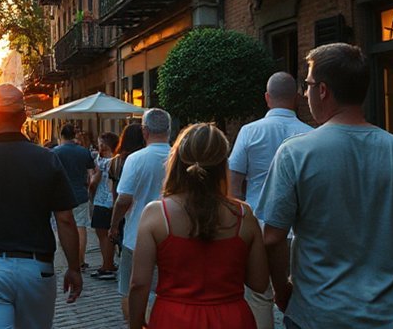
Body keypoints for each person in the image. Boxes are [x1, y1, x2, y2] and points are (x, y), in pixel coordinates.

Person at [258, 43, 393, 329]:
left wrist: (283, 292)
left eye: (308, 85)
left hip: (317, 314)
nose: (305, 93)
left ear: (323, 90)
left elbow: (272, 238)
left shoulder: (295, 154)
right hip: (391, 316)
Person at [0, 84, 83, 328]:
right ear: (24, 116)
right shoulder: (47, 159)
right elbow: (65, 220)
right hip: (37, 268)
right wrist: (74, 267)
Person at [129, 123, 268, 328]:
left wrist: (135, 323)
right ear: (222, 165)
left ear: (176, 161)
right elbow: (259, 282)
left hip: (173, 318)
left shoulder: (157, 214)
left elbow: (139, 283)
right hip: (231, 317)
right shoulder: (243, 215)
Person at [228, 71, 312, 328]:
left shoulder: (249, 132)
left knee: (259, 293)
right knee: (302, 291)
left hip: (259, 224)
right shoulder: (310, 134)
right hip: (299, 229)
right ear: (297, 98)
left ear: (267, 98)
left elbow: (234, 183)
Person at [109, 109, 171, 324]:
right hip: (173, 235)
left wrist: (114, 224)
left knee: (130, 289)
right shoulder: (178, 157)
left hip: (136, 235)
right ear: (169, 130)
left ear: (144, 131)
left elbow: (123, 199)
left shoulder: (135, 159)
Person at [53, 124, 96, 270]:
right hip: (80, 193)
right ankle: (80, 260)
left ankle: (68, 260)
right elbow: (92, 173)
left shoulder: (55, 152)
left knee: (63, 225)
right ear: (74, 135)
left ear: (62, 135)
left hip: (61, 195)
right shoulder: (84, 152)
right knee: (81, 226)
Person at [88, 131, 119, 280]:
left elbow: (94, 183)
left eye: (100, 144)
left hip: (101, 200)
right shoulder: (118, 160)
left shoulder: (102, 163)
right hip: (114, 202)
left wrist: (91, 191)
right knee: (110, 235)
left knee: (103, 236)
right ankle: (110, 263)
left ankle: (107, 266)